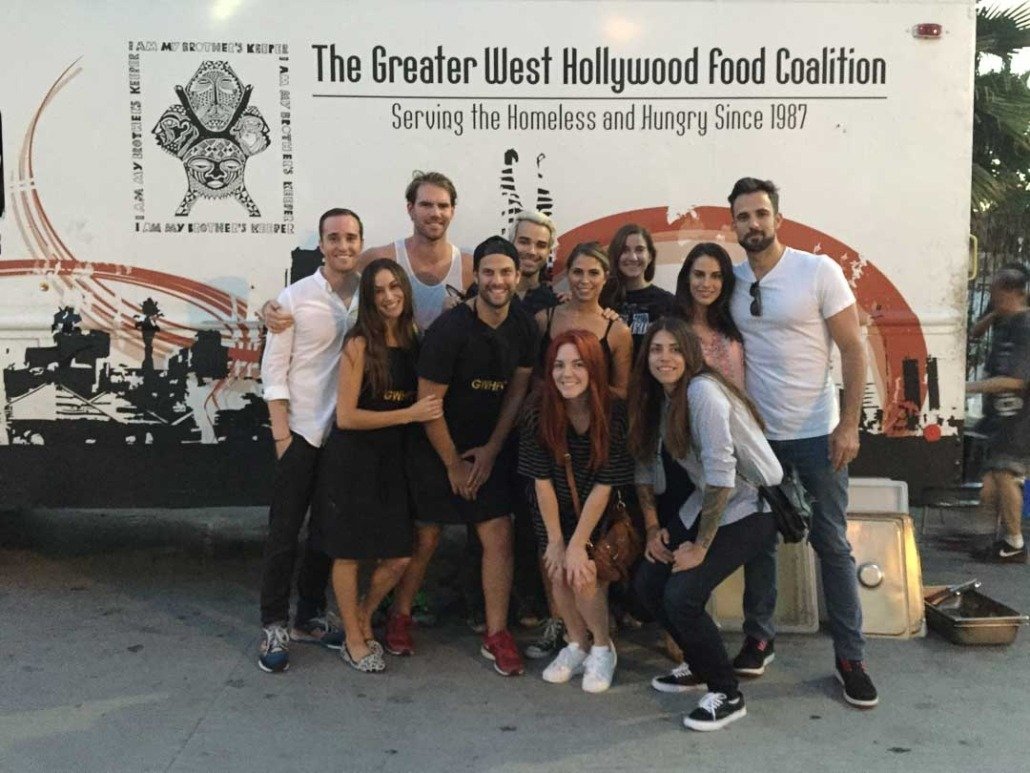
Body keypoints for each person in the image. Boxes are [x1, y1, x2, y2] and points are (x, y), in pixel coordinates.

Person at [727, 177, 876, 708]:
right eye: (744, 216)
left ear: (778, 217)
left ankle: (850, 657)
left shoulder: (818, 271)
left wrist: (850, 424)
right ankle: (759, 637)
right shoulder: (733, 280)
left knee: (831, 544)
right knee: (758, 541)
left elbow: (854, 350)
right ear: (734, 224)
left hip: (818, 434)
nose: (754, 224)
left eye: (761, 214)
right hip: (760, 438)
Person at [385, 236, 537, 676]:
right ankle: (399, 615)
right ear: (476, 277)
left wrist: (491, 450)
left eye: (505, 272)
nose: (497, 280)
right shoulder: (450, 331)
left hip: (487, 448)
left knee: (498, 535)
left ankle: (496, 634)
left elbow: (518, 390)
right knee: (426, 537)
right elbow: (429, 403)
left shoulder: (524, 326)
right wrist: (452, 462)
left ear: (516, 275)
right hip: (437, 446)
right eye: (488, 272)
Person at [629, 318, 782, 731]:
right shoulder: (657, 397)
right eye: (657, 349)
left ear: (690, 355)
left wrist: (698, 545)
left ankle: (728, 694)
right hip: (709, 501)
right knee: (648, 583)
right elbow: (643, 465)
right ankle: (699, 662)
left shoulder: (702, 392)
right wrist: (652, 529)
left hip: (752, 507)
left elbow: (721, 475)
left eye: (675, 349)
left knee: (681, 595)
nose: (665, 358)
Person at [309, 260, 443, 672]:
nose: (388, 296)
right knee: (348, 555)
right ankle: (352, 638)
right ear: (368, 298)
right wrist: (410, 414)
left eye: (394, 287)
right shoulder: (359, 343)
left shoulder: (413, 338)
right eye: (379, 290)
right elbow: (346, 417)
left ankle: (363, 615)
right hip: (353, 461)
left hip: (394, 462)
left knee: (400, 555)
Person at [256, 207, 362, 673]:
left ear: (360, 243)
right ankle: (273, 624)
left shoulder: (367, 296)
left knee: (325, 531)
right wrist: (282, 437)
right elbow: (273, 370)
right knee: (284, 534)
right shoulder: (294, 298)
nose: (343, 246)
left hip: (343, 434)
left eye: (351, 238)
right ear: (321, 244)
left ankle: (309, 617)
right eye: (334, 238)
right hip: (299, 431)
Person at [518, 330, 634, 692]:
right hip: (553, 507)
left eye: (578, 364)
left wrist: (578, 542)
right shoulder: (538, 410)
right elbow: (541, 481)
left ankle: (602, 646)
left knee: (583, 573)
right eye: (559, 365)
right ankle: (575, 643)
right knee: (557, 571)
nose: (567, 374)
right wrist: (555, 540)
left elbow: (606, 482)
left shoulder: (614, 413)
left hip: (597, 508)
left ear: (595, 369)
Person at [967, 266, 1029, 563]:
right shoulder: (1005, 320)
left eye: (997, 294)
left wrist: (971, 387)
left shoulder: (1025, 326)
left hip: (1019, 416)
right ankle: (994, 539)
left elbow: (1017, 380)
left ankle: (1015, 543)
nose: (993, 298)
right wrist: (994, 312)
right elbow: (974, 333)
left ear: (1015, 293)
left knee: (1005, 472)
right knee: (990, 484)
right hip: (1001, 415)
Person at [535, 242, 633, 399]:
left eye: (593, 273)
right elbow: (532, 379)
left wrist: (580, 388)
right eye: (578, 272)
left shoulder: (618, 331)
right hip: (547, 418)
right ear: (568, 274)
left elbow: (623, 392)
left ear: (605, 277)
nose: (585, 280)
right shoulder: (543, 320)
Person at [674, 242, 745, 390]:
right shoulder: (673, 329)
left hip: (740, 411)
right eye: (699, 274)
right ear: (687, 277)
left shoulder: (735, 320)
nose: (706, 284)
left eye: (716, 276)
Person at [467, 209, 561, 315]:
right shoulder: (480, 290)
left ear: (549, 251)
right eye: (524, 242)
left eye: (541, 245)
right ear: (511, 242)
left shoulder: (552, 304)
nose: (532, 251)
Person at [602, 224, 676, 357]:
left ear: (650, 256)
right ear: (615, 256)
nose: (633, 257)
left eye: (639, 250)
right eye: (625, 250)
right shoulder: (602, 300)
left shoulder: (668, 303)